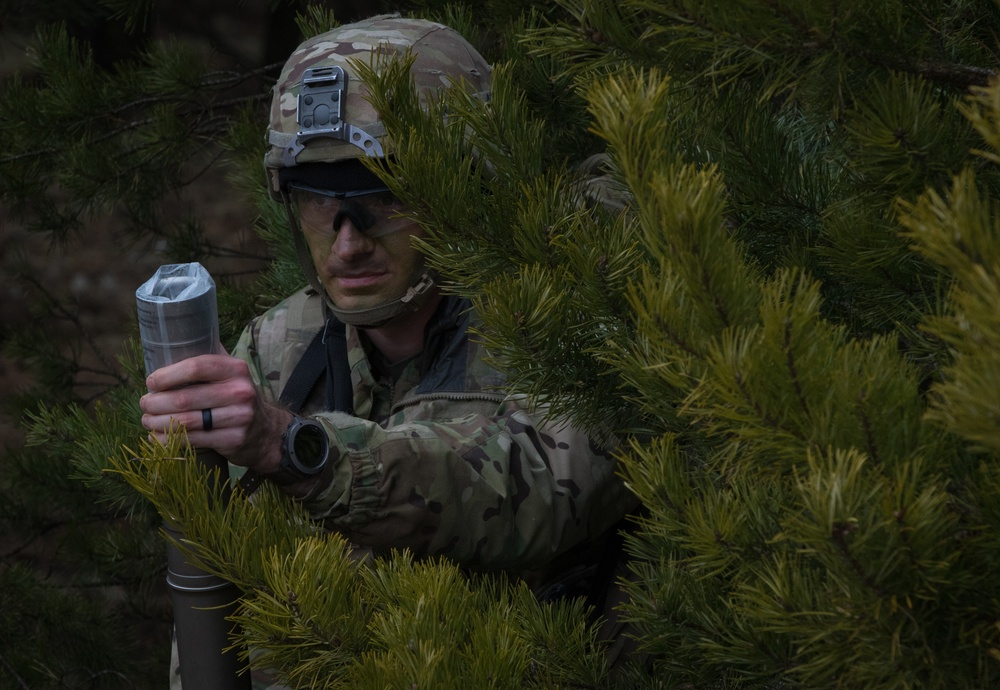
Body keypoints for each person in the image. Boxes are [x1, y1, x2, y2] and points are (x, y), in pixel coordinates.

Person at [139, 13, 633, 684]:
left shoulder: (562, 320)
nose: (348, 243)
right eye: (321, 204)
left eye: (382, 198)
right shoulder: (282, 345)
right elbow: (222, 589)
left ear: (467, 184)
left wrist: (296, 448)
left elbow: (539, 495)